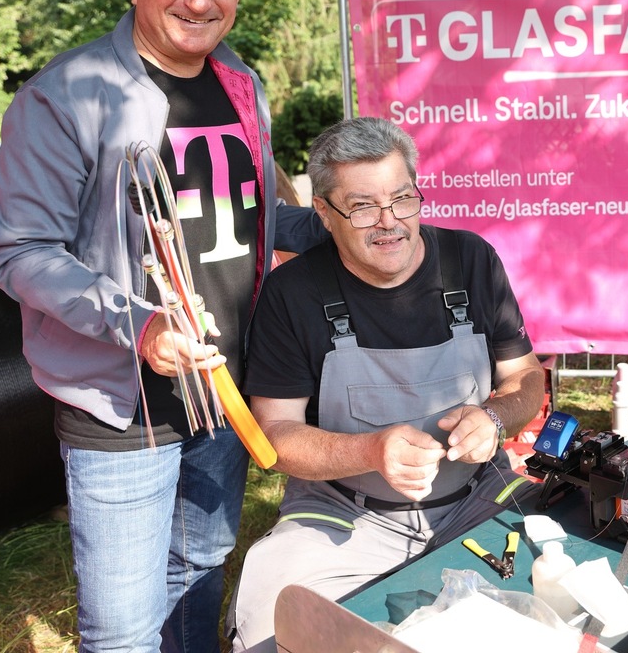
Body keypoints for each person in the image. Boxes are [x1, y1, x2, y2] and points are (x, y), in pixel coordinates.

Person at [0, 0, 323, 652]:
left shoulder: (241, 82)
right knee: (124, 626)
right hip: (122, 401)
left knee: (200, 565)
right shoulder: (66, 95)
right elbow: (18, 250)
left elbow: (262, 215)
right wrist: (136, 323)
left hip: (228, 387)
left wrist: (352, 223)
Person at [225, 117, 547, 651]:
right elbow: (274, 437)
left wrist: (493, 418)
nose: (389, 222)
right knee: (275, 626)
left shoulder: (471, 261)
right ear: (324, 214)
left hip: (476, 498)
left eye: (402, 198)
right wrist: (372, 449)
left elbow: (527, 379)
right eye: (362, 206)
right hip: (343, 517)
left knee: (564, 587)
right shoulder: (293, 293)